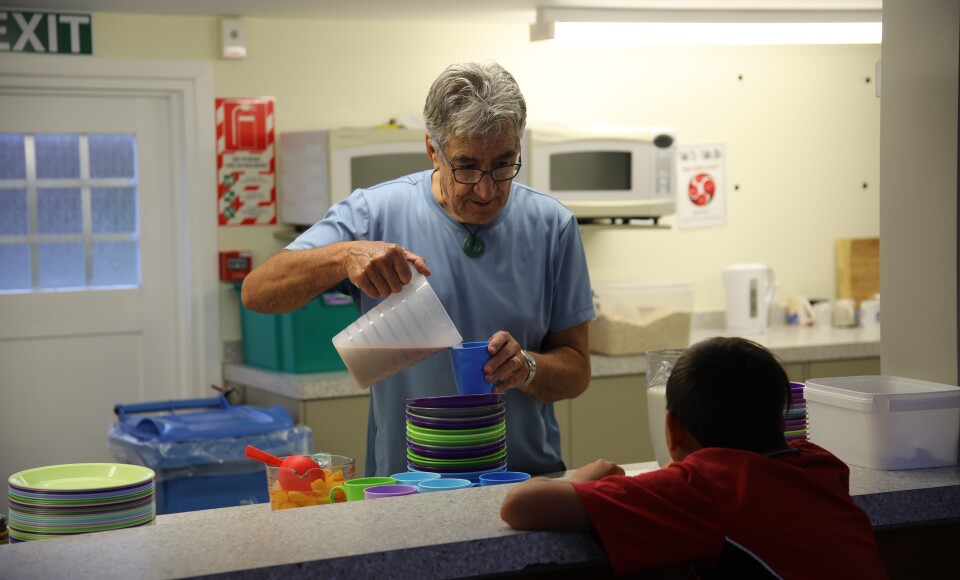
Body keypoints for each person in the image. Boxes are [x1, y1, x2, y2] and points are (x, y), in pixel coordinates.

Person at [242, 61, 595, 478]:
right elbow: (257, 292)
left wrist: (527, 368)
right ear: (433, 150)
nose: (487, 190)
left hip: (523, 481)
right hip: (407, 488)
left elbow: (576, 372)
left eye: (504, 165)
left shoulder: (552, 225)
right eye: (466, 166)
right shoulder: (374, 213)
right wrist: (343, 256)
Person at [500, 337, 887, 579]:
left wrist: (587, 477)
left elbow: (521, 504)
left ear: (672, 429)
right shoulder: (821, 464)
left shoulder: (705, 488)